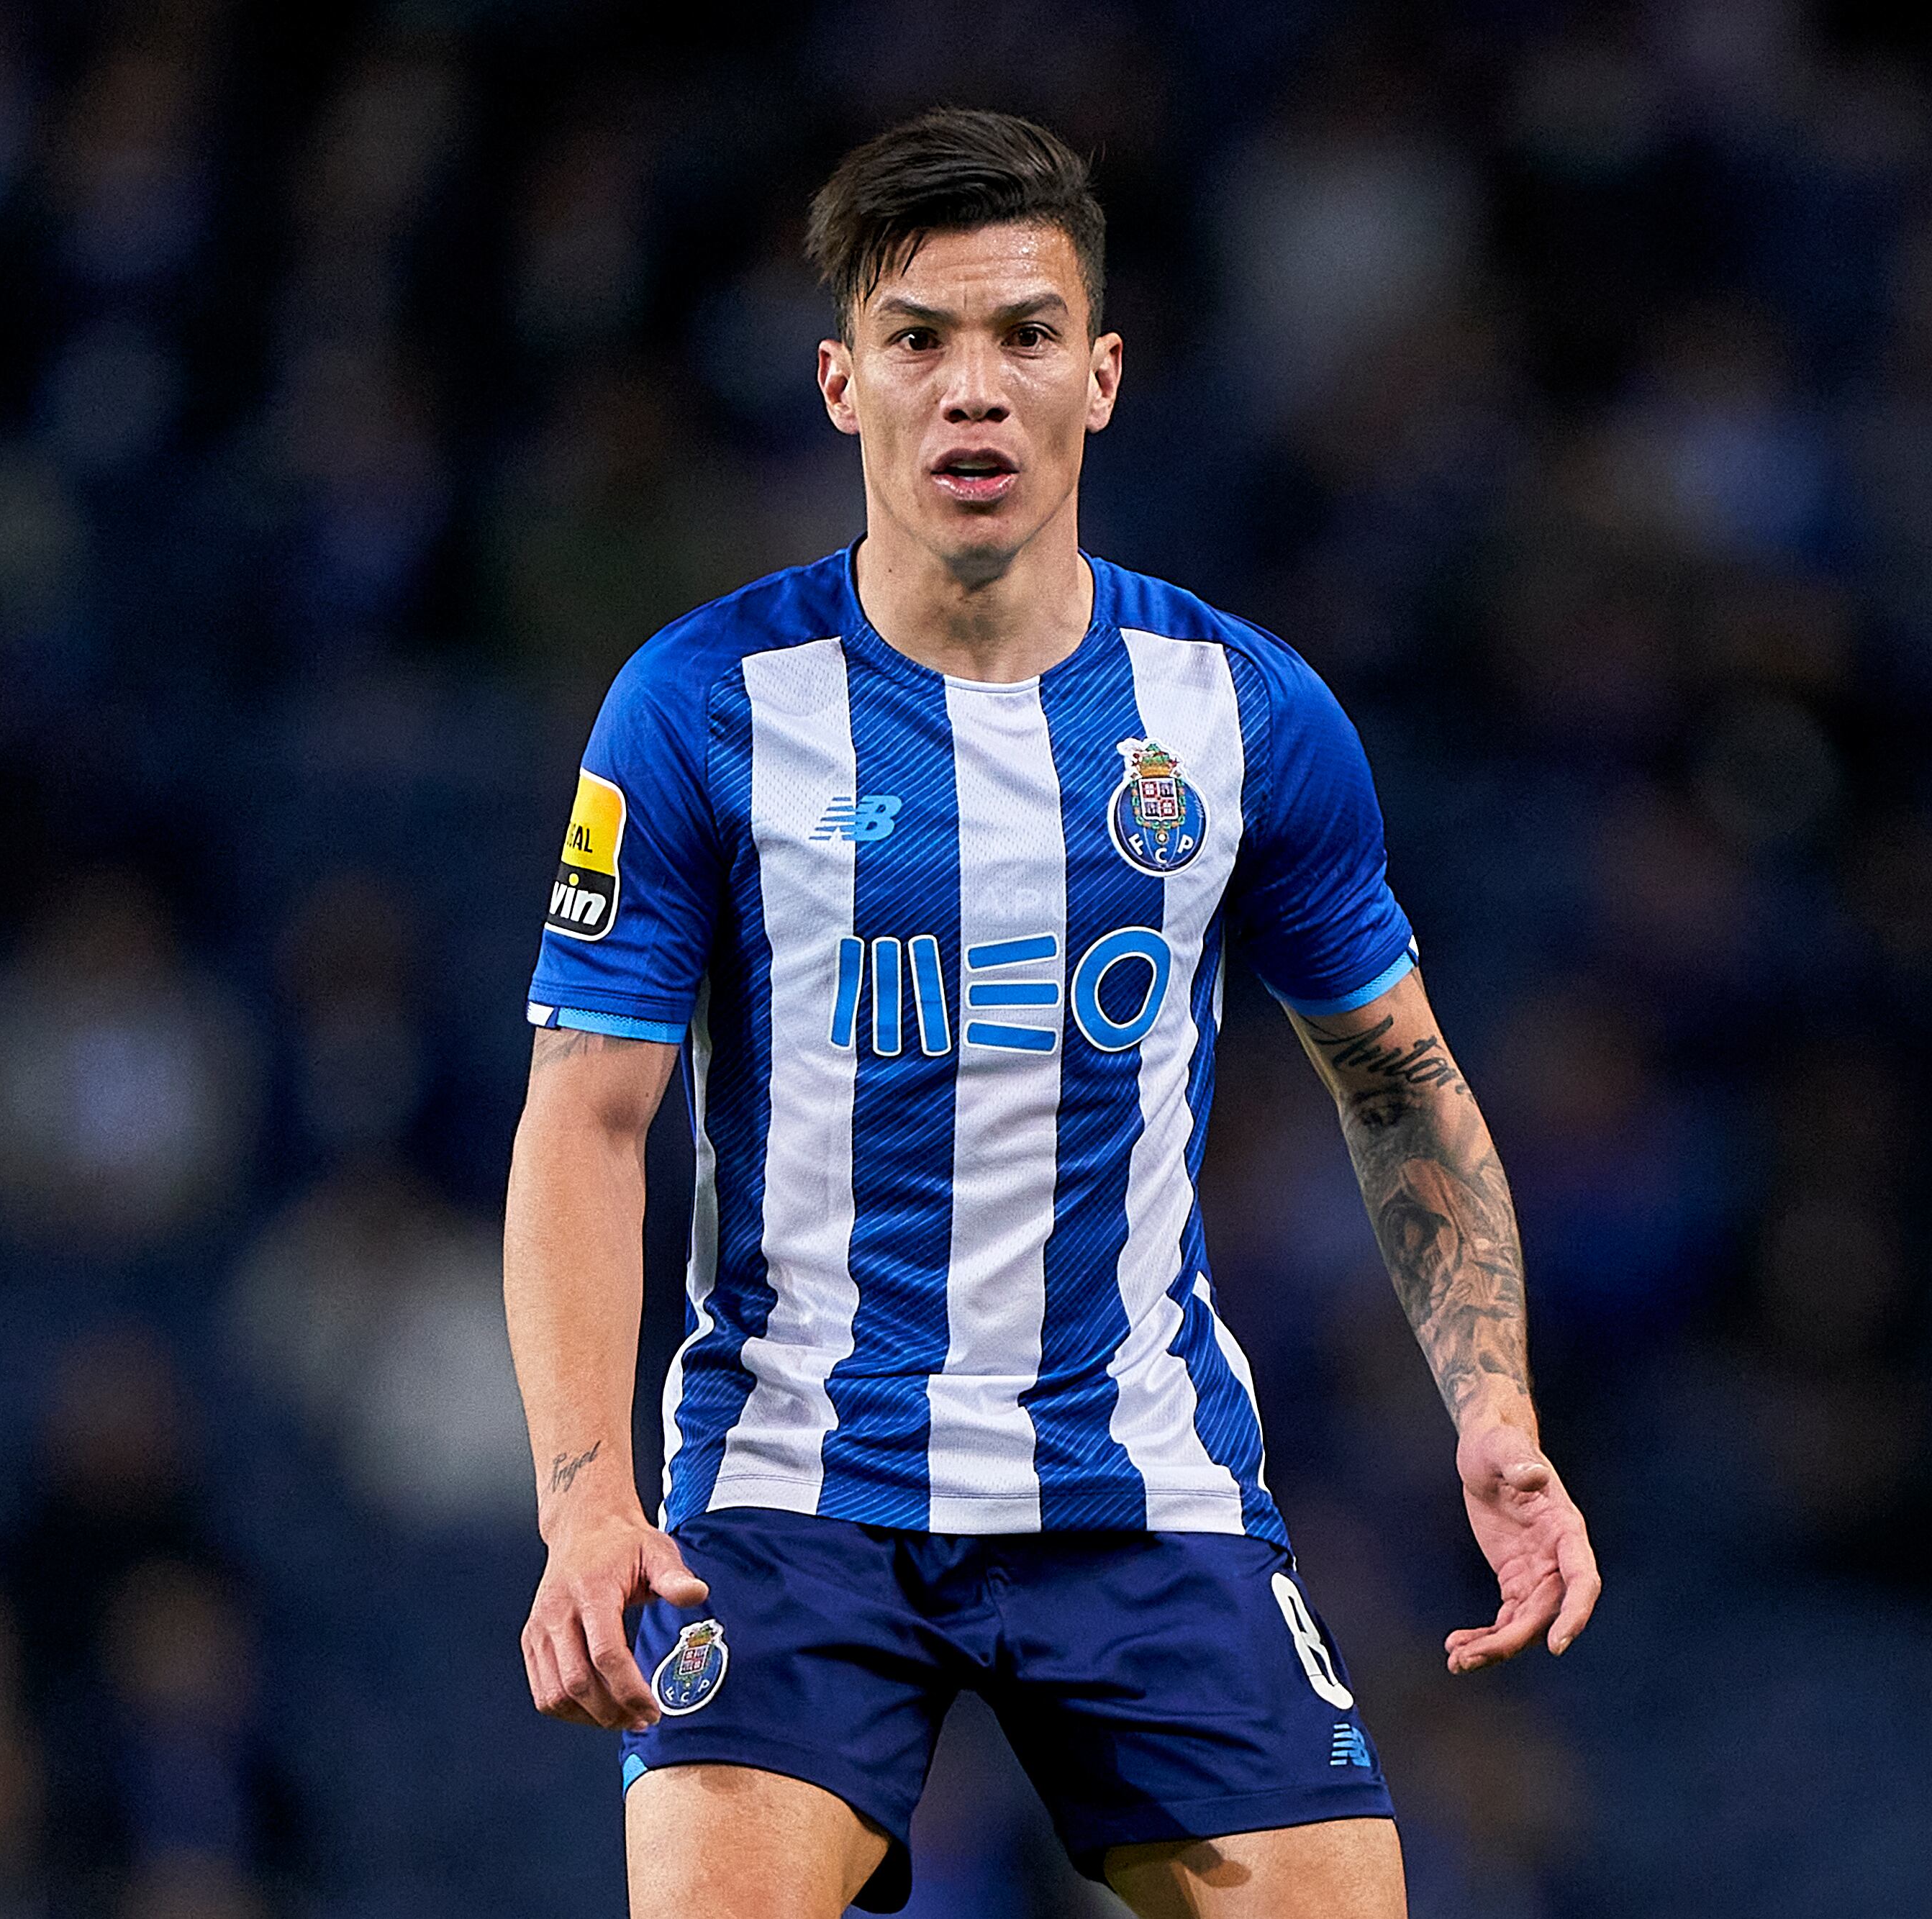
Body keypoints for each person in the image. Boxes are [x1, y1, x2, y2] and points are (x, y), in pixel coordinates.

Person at [504, 108, 1599, 1919]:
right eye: (920, 340)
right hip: (797, 1485)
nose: (972, 391)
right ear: (841, 382)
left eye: (1021, 335)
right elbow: (585, 1117)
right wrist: (584, 1497)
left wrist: (1489, 1407)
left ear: (1100, 377)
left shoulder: (1240, 713)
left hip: (1134, 1483)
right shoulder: (696, 707)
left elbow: (1397, 1084)